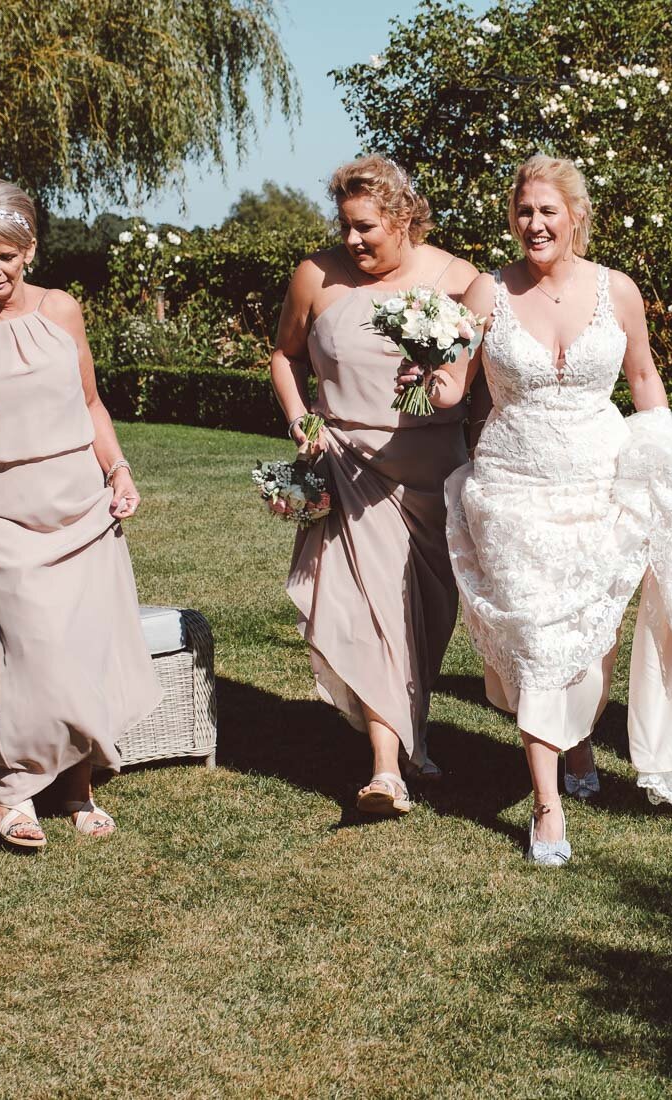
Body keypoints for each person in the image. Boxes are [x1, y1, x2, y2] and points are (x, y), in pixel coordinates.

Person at [402, 155, 672, 866]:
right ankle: (547, 803)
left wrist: (666, 466)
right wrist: (427, 370)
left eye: (548, 211)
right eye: (524, 211)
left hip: (601, 483)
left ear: (575, 215)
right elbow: (454, 392)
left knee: (588, 642)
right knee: (536, 644)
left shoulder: (618, 291)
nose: (534, 224)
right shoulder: (484, 294)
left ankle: (579, 744)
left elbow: (643, 377)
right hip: (513, 485)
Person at [0, 175, 159, 849]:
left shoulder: (61, 311)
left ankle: (75, 788)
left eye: (5, 255)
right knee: (38, 655)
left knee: (79, 653)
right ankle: (7, 788)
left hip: (79, 506)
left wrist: (119, 468)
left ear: (30, 251)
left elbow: (90, 405)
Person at [270, 155, 478, 816]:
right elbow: (285, 354)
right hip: (347, 464)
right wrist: (299, 416)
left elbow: (477, 381)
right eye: (346, 227)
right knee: (376, 608)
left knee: (424, 617)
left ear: (402, 217)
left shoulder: (458, 279)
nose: (352, 241)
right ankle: (386, 771)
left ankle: (409, 739)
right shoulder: (314, 275)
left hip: (433, 469)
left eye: (366, 228)